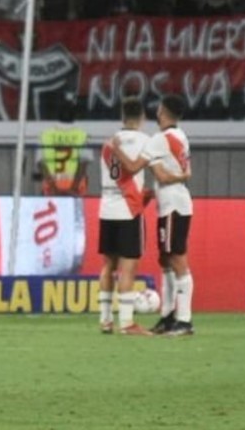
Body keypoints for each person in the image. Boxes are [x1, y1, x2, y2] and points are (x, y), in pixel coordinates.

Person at [112, 94, 193, 335]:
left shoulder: (160, 139)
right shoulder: (180, 136)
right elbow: (176, 171)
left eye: (159, 108)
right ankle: (168, 316)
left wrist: (117, 150)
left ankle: (184, 320)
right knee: (165, 260)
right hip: (173, 203)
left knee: (177, 260)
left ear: (163, 111)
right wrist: (180, 176)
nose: (156, 112)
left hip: (173, 205)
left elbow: (135, 167)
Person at [95, 98, 152, 336]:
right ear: (142, 118)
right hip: (128, 210)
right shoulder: (147, 142)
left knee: (109, 265)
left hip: (107, 208)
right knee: (128, 268)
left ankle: (105, 320)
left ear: (122, 116)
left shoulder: (108, 144)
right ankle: (127, 323)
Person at [39, 100, 91, 196]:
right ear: (75, 114)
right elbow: (83, 164)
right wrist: (73, 188)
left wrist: (54, 188)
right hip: (76, 190)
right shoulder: (82, 134)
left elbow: (42, 164)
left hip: (52, 190)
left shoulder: (46, 134)